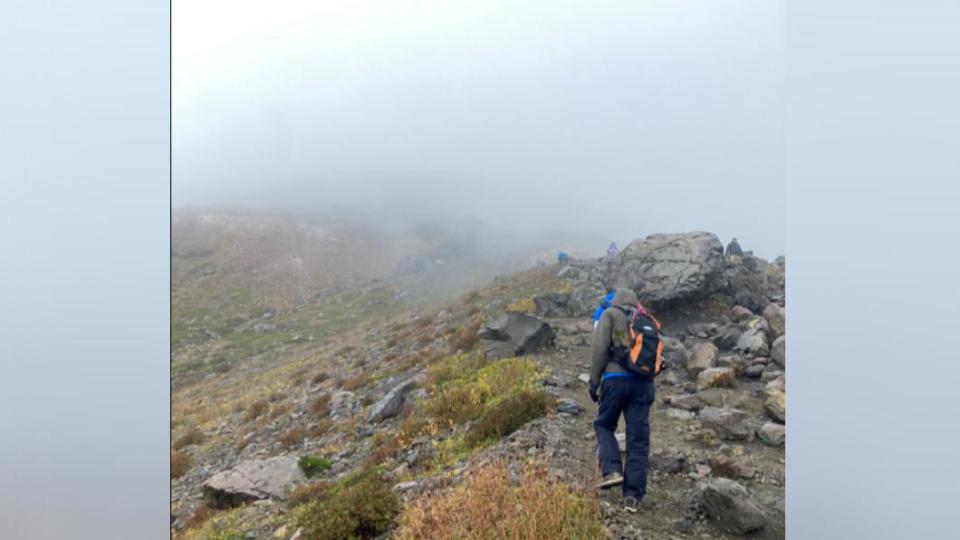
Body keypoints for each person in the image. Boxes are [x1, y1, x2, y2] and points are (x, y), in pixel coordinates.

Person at [588, 287, 655, 511]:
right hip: (642, 384)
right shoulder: (645, 321)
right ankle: (632, 497)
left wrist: (594, 381)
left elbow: (599, 350)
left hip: (615, 380)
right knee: (638, 439)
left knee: (604, 424)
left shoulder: (610, 315)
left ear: (615, 300)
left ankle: (612, 470)